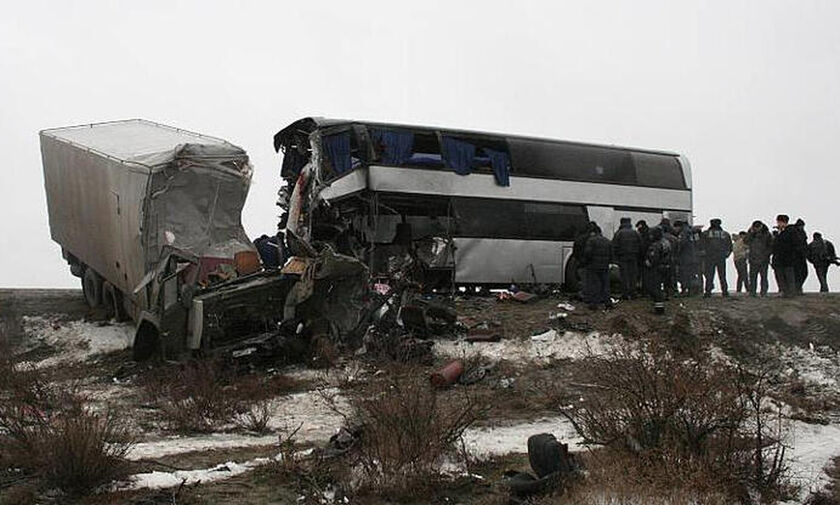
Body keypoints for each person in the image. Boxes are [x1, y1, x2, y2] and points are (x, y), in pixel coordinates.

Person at [581, 222, 613, 310]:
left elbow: (588, 253)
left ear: (594, 232)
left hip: (593, 266)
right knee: (605, 285)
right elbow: (611, 254)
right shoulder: (607, 241)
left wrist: (586, 261)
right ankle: (608, 303)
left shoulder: (591, 240)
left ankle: (594, 304)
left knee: (594, 285)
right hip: (604, 266)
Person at [701, 218, 733, 297]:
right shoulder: (725, 234)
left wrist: (703, 254)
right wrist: (726, 255)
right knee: (722, 275)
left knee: (709, 275)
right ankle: (724, 291)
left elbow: (701, 245)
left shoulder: (705, 233)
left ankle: (708, 292)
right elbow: (729, 246)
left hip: (709, 257)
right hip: (721, 257)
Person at [612, 217, 641, 300]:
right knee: (633, 275)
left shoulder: (619, 233)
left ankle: (625, 293)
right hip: (634, 256)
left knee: (624, 275)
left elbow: (614, 245)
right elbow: (640, 244)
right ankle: (633, 293)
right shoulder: (635, 233)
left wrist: (615, 258)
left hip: (623, 257)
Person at [645, 227, 672, 314]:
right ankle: (661, 303)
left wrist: (648, 262)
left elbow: (653, 258)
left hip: (657, 268)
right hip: (666, 267)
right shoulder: (666, 242)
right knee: (663, 286)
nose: (650, 236)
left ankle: (659, 308)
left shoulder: (655, 245)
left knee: (655, 287)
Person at [744, 220, 773, 297]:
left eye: (757, 227)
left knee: (763, 277)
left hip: (764, 260)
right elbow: (745, 241)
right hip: (753, 259)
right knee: (753, 277)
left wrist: (766, 254)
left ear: (761, 226)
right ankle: (752, 292)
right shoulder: (751, 234)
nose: (756, 229)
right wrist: (750, 232)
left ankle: (763, 292)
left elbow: (771, 246)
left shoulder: (767, 234)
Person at [772, 214, 798, 297]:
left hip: (787, 259)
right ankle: (784, 291)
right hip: (779, 259)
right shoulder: (781, 232)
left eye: (779, 222)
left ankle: (790, 292)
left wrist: (779, 234)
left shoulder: (791, 231)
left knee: (788, 276)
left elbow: (789, 244)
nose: (778, 224)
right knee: (780, 276)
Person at [792, 219, 809, 294]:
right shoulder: (793, 232)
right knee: (797, 273)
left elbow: (805, 243)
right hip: (795, 256)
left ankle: (798, 287)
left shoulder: (802, 233)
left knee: (804, 273)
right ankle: (797, 289)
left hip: (802, 255)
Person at [636, 220, 651, 296]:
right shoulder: (648, 232)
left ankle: (644, 291)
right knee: (646, 276)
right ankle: (646, 291)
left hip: (643, 257)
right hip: (647, 257)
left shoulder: (643, 234)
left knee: (644, 275)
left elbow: (643, 246)